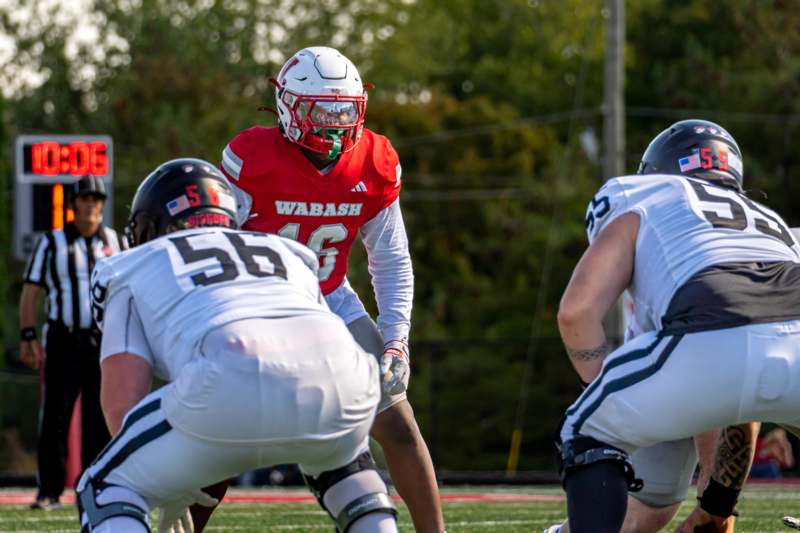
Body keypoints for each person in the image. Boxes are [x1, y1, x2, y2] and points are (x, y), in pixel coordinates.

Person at [77, 158, 398, 533]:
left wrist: (160, 475)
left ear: (151, 222)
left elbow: (123, 403)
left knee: (104, 487)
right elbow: (311, 341)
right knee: (346, 471)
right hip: (349, 374)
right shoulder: (288, 252)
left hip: (232, 369)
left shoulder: (129, 265)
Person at [216, 46, 445, 533]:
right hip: (259, 301)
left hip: (330, 296)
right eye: (325, 110)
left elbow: (391, 259)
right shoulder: (250, 157)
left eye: (348, 110)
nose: (338, 123)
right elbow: (218, 249)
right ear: (290, 107)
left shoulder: (374, 160)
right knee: (220, 434)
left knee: (398, 425)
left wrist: (395, 340)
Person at [555, 119, 800, 533]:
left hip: (707, 332)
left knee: (585, 429)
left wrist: (609, 400)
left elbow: (575, 313)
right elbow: (745, 387)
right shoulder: (774, 226)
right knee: (651, 507)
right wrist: (718, 507)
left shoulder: (644, 195)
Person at [19, 174, 125, 510]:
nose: (91, 204)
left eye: (97, 199)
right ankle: (49, 491)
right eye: (85, 198)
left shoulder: (116, 241)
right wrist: (28, 336)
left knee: (100, 418)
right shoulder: (51, 243)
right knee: (55, 418)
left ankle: (95, 486)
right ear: (73, 205)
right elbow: (31, 291)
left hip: (101, 340)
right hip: (63, 338)